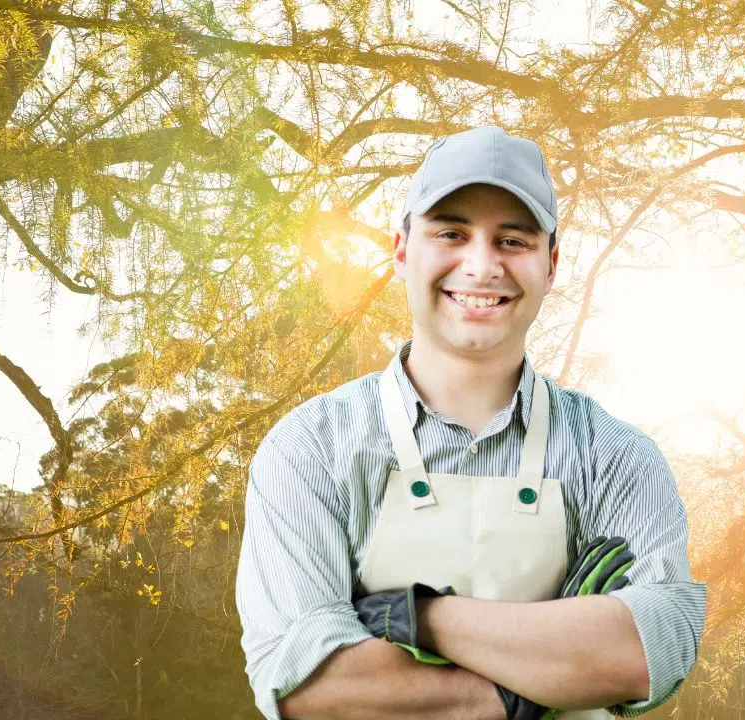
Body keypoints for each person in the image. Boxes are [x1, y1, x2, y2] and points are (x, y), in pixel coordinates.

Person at [236, 125, 707, 720]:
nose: (482, 266)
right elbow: (307, 686)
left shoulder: (617, 457)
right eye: (451, 233)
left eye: (512, 240)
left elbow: (648, 653)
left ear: (551, 263)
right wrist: (538, 674)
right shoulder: (310, 449)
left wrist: (422, 618)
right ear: (403, 249)